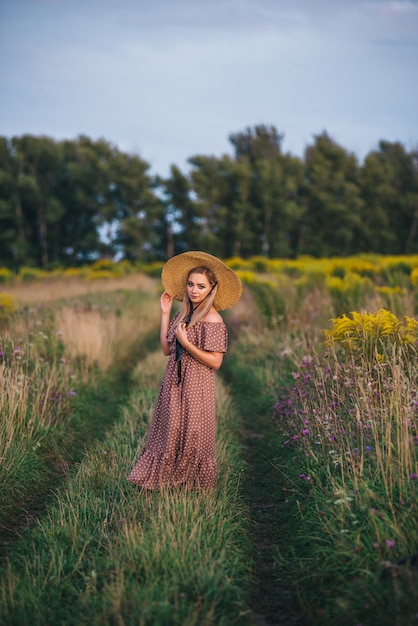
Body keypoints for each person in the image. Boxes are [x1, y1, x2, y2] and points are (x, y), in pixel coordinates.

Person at [127, 251, 242, 491]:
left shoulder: (213, 319)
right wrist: (165, 314)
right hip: (174, 380)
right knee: (171, 429)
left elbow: (216, 362)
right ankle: (168, 482)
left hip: (197, 384)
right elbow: (167, 349)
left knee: (193, 432)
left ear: (212, 289)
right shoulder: (184, 314)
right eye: (190, 284)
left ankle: (191, 485)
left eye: (201, 286)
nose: (194, 290)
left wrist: (188, 344)